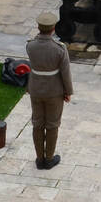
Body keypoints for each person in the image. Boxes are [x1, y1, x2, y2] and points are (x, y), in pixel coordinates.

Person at [25, 11, 73, 170]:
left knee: (37, 123)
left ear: (38, 27)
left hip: (36, 90)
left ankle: (39, 159)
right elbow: (65, 73)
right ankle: (49, 158)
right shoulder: (59, 49)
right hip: (54, 91)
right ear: (53, 29)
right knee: (52, 124)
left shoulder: (30, 45)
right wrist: (68, 91)